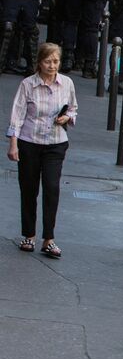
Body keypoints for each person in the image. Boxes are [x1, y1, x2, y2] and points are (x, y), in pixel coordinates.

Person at [7, 43, 75, 258]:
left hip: (56, 143)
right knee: (29, 188)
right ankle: (29, 235)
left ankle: (49, 238)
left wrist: (67, 117)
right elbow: (17, 115)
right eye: (48, 61)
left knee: (52, 187)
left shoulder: (67, 83)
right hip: (30, 142)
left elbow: (73, 108)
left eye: (56, 61)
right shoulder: (28, 85)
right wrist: (13, 144)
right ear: (39, 62)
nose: (52, 66)